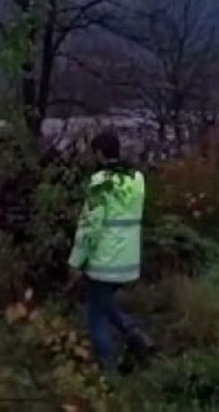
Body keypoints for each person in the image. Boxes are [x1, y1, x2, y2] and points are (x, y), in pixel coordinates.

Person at [68, 130, 153, 373]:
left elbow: (89, 227)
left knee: (95, 315)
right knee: (103, 300)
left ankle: (109, 373)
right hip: (128, 261)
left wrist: (75, 263)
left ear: (98, 153)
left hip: (104, 261)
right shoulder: (137, 179)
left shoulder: (100, 182)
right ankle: (135, 334)